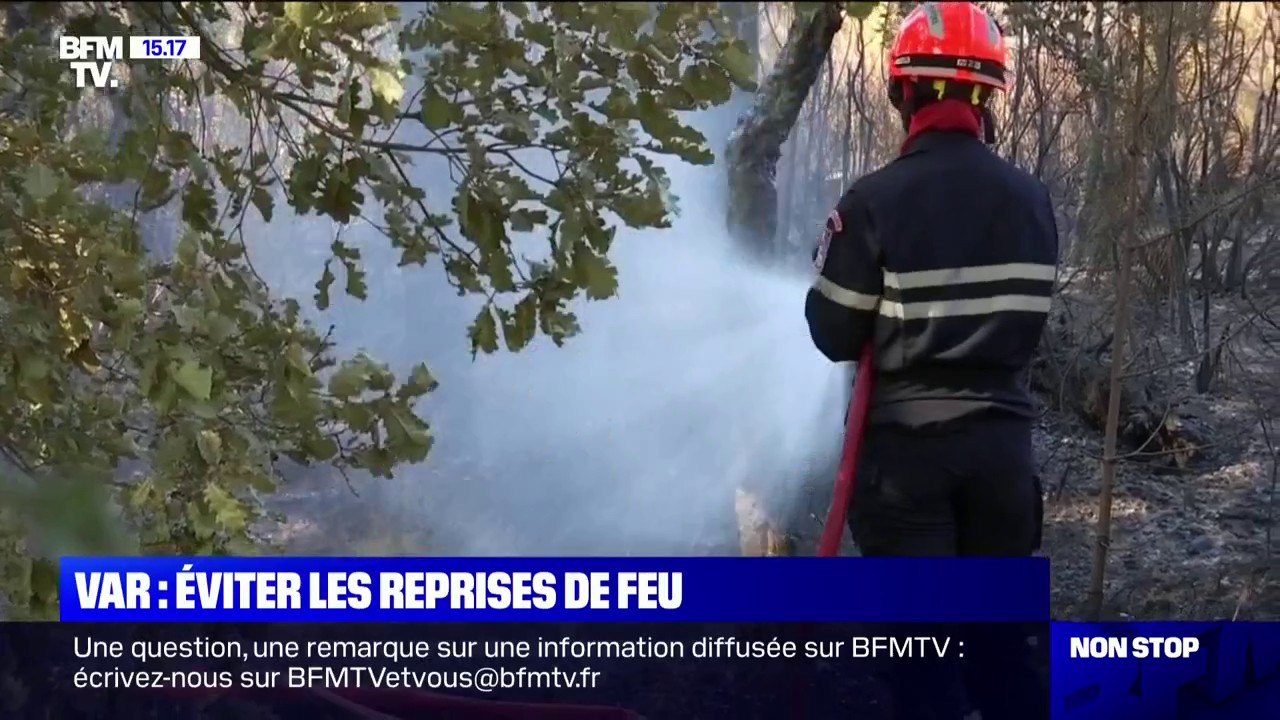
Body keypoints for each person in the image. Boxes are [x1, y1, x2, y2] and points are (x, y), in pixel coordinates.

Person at [805, 3, 1057, 718]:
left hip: (905, 465)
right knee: (1003, 655)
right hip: (1003, 456)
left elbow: (832, 331)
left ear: (903, 91)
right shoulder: (1031, 199)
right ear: (988, 98)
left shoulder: (874, 201)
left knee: (921, 666)